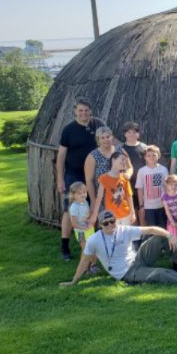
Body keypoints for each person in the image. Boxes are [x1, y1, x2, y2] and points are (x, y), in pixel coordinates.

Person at [60, 212, 177, 287]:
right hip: (127, 273)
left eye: (112, 221)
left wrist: (169, 235)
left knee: (160, 237)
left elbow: (151, 229)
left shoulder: (123, 229)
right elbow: (84, 261)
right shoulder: (94, 240)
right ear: (100, 225)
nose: (110, 225)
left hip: (137, 259)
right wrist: (73, 282)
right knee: (160, 273)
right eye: (106, 223)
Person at [56, 97, 105, 260]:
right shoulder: (68, 130)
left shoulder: (97, 125)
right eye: (80, 110)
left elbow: (109, 141)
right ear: (75, 111)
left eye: (86, 110)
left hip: (94, 175)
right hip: (74, 175)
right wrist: (60, 179)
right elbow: (61, 155)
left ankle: (93, 242)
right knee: (69, 210)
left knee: (94, 208)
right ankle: (64, 246)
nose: (83, 113)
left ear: (91, 111)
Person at [84, 126, 128, 207]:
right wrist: (94, 201)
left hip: (121, 197)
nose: (106, 140)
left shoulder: (120, 151)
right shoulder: (92, 156)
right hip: (102, 200)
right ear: (98, 140)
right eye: (102, 138)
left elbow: (128, 169)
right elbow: (89, 181)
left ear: (112, 137)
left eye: (108, 137)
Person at [90, 152, 136, 226]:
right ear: (113, 160)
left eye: (125, 160)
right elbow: (99, 197)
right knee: (114, 236)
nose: (124, 162)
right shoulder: (104, 178)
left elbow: (129, 195)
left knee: (126, 236)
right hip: (112, 215)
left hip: (126, 214)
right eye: (122, 159)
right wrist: (94, 215)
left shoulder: (125, 177)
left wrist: (132, 213)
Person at [135, 145, 168, 228]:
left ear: (158, 156)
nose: (151, 157)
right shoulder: (142, 171)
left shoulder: (163, 169)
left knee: (162, 227)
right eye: (148, 155)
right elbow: (140, 189)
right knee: (152, 228)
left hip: (162, 205)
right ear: (145, 157)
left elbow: (167, 187)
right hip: (148, 207)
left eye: (154, 155)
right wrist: (141, 205)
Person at [121, 121, 147, 212]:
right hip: (127, 183)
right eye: (129, 132)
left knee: (143, 209)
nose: (132, 135)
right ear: (125, 134)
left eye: (135, 132)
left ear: (138, 134)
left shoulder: (144, 148)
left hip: (143, 184)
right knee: (131, 210)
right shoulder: (120, 149)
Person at [68, 182, 95, 266]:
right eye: (79, 193)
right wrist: (84, 228)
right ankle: (84, 266)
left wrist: (89, 221)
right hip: (81, 232)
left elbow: (86, 215)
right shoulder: (74, 207)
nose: (83, 195)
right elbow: (74, 224)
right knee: (85, 250)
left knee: (93, 248)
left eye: (84, 192)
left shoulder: (85, 202)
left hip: (89, 229)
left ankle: (93, 265)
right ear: (73, 195)